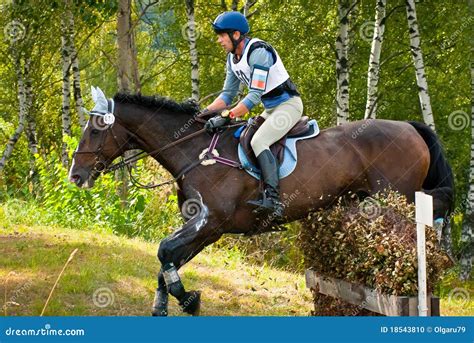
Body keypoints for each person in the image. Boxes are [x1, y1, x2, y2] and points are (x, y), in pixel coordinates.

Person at [204, 11, 303, 218]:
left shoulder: (258, 52)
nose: (219, 40)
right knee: (243, 136)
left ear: (236, 34)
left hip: (288, 106)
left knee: (259, 141)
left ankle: (274, 200)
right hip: (271, 109)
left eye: (222, 35)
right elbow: (227, 95)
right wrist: (202, 114)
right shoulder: (232, 59)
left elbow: (255, 95)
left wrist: (227, 115)